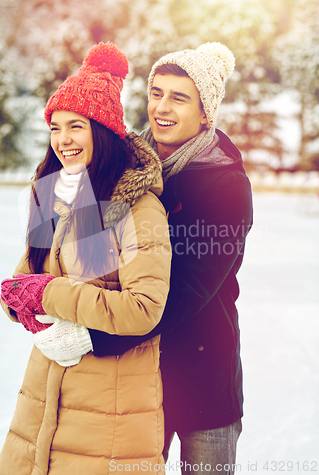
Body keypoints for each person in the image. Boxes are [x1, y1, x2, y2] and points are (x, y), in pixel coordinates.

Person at [0, 42, 171, 474]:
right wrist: (16, 301)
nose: (63, 140)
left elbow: (143, 309)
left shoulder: (137, 207)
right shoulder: (49, 194)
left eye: (76, 126)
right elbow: (24, 285)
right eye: (55, 128)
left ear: (103, 131)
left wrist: (49, 294)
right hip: (42, 402)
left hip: (110, 408)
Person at [85, 43, 253, 474]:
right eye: (156, 93)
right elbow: (83, 246)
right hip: (136, 375)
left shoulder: (226, 186)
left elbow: (185, 293)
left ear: (205, 114)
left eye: (179, 98)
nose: (162, 107)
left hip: (203, 377)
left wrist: (95, 338)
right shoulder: (125, 167)